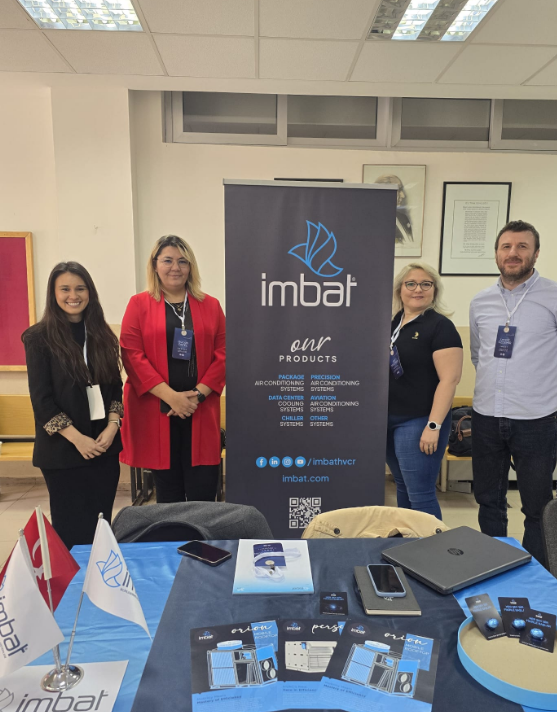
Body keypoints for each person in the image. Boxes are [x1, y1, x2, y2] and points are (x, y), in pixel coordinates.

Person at [470, 220, 557, 567]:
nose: (513, 253)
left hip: (537, 419)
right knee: (488, 500)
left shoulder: (553, 296)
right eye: (506, 246)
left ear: (536, 253)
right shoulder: (481, 301)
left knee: (536, 506)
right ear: (496, 253)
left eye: (522, 246)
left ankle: (535, 577)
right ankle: (494, 567)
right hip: (486, 416)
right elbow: (479, 355)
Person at [23, 262, 123, 550]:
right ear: (53, 293)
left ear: (90, 292)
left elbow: (115, 388)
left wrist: (112, 426)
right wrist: (78, 439)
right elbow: (42, 400)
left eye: (80, 288)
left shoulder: (101, 334)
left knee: (100, 529)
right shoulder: (38, 338)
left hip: (103, 448)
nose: (73, 296)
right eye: (65, 289)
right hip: (63, 452)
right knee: (71, 533)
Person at [120, 235, 225, 503]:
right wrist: (171, 398)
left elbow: (225, 354)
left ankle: (202, 533)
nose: (175, 267)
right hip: (158, 410)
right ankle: (172, 532)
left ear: (191, 267)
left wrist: (197, 395)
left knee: (203, 491)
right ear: (155, 265)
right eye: (167, 260)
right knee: (168, 495)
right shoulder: (139, 304)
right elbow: (132, 355)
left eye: (182, 261)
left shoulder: (211, 305)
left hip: (200, 408)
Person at [386, 262, 463, 519]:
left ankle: (432, 545)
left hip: (419, 421)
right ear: (400, 290)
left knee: (420, 493)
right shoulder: (392, 324)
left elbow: (450, 380)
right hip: (388, 421)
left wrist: (433, 426)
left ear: (434, 291)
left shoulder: (440, 326)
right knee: (402, 486)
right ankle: (409, 541)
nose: (418, 289)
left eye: (425, 284)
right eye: (411, 284)